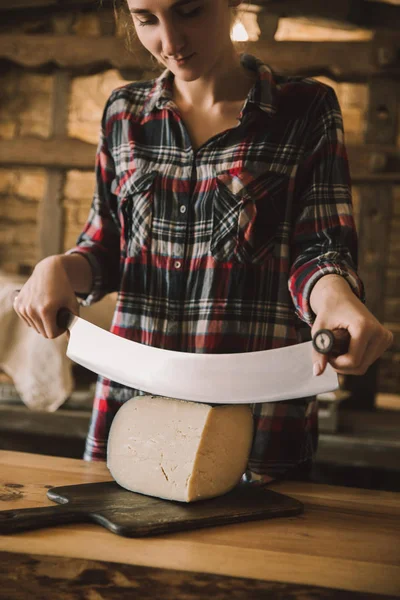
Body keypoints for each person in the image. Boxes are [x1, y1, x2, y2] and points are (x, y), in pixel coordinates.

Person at [13, 0, 393, 482]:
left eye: (190, 11)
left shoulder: (306, 109)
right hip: (131, 413)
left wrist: (335, 297)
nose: (170, 43)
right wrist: (58, 268)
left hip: (257, 421)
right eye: (146, 19)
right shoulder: (123, 113)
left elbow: (318, 248)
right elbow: (106, 247)